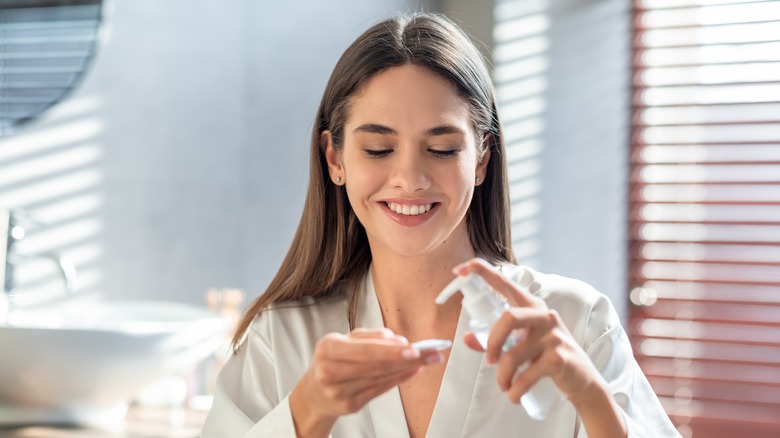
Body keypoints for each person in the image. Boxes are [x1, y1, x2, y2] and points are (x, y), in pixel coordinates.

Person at [201, 12, 679, 438]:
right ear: (335, 159)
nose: (410, 179)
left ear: (482, 157)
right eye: (378, 149)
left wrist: (591, 398)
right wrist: (307, 411)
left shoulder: (576, 323)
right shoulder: (280, 341)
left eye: (442, 149)